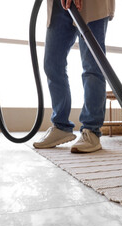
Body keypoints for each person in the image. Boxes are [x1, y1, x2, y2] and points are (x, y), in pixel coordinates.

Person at [33, 0, 115, 153]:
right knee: (52, 63)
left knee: (92, 65)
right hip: (59, 4)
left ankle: (91, 130)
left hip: (93, 3)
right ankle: (61, 127)